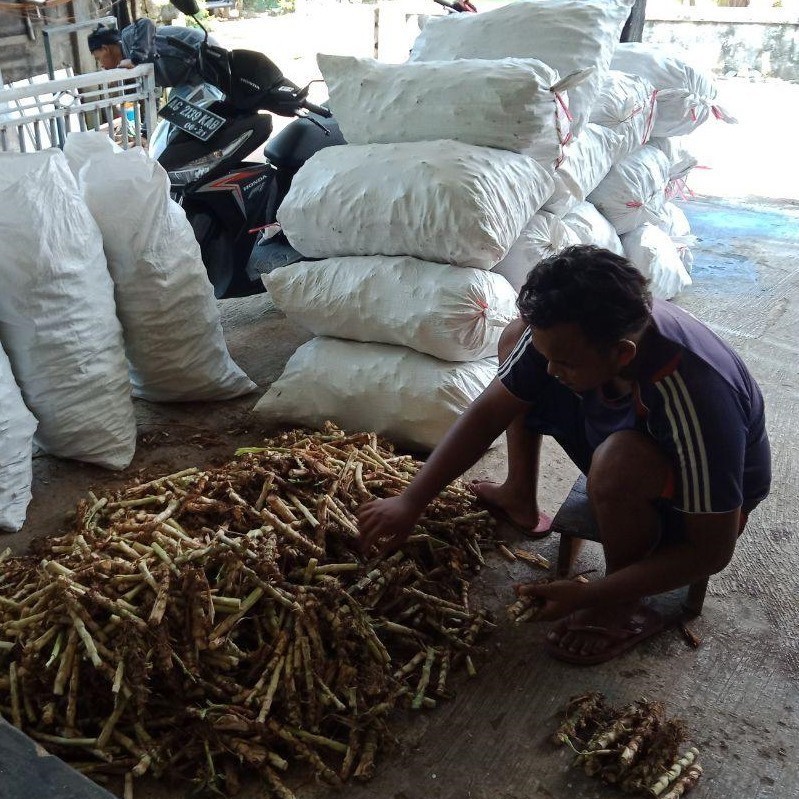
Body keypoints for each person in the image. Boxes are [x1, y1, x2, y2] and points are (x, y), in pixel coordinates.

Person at [358, 245, 771, 666]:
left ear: (622, 354)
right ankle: (519, 493)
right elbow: (489, 412)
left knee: (620, 463)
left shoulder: (694, 397)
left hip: (701, 506)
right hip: (633, 429)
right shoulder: (588, 336)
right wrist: (412, 500)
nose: (554, 370)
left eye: (566, 362)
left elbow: (711, 552)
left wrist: (590, 594)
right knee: (518, 341)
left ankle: (621, 601)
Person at [87, 20, 212, 96]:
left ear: (105, 49)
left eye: (98, 59)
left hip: (205, 55)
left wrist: (134, 59)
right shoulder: (129, 58)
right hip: (191, 76)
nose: (101, 65)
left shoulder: (128, 38)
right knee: (174, 114)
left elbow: (146, 23)